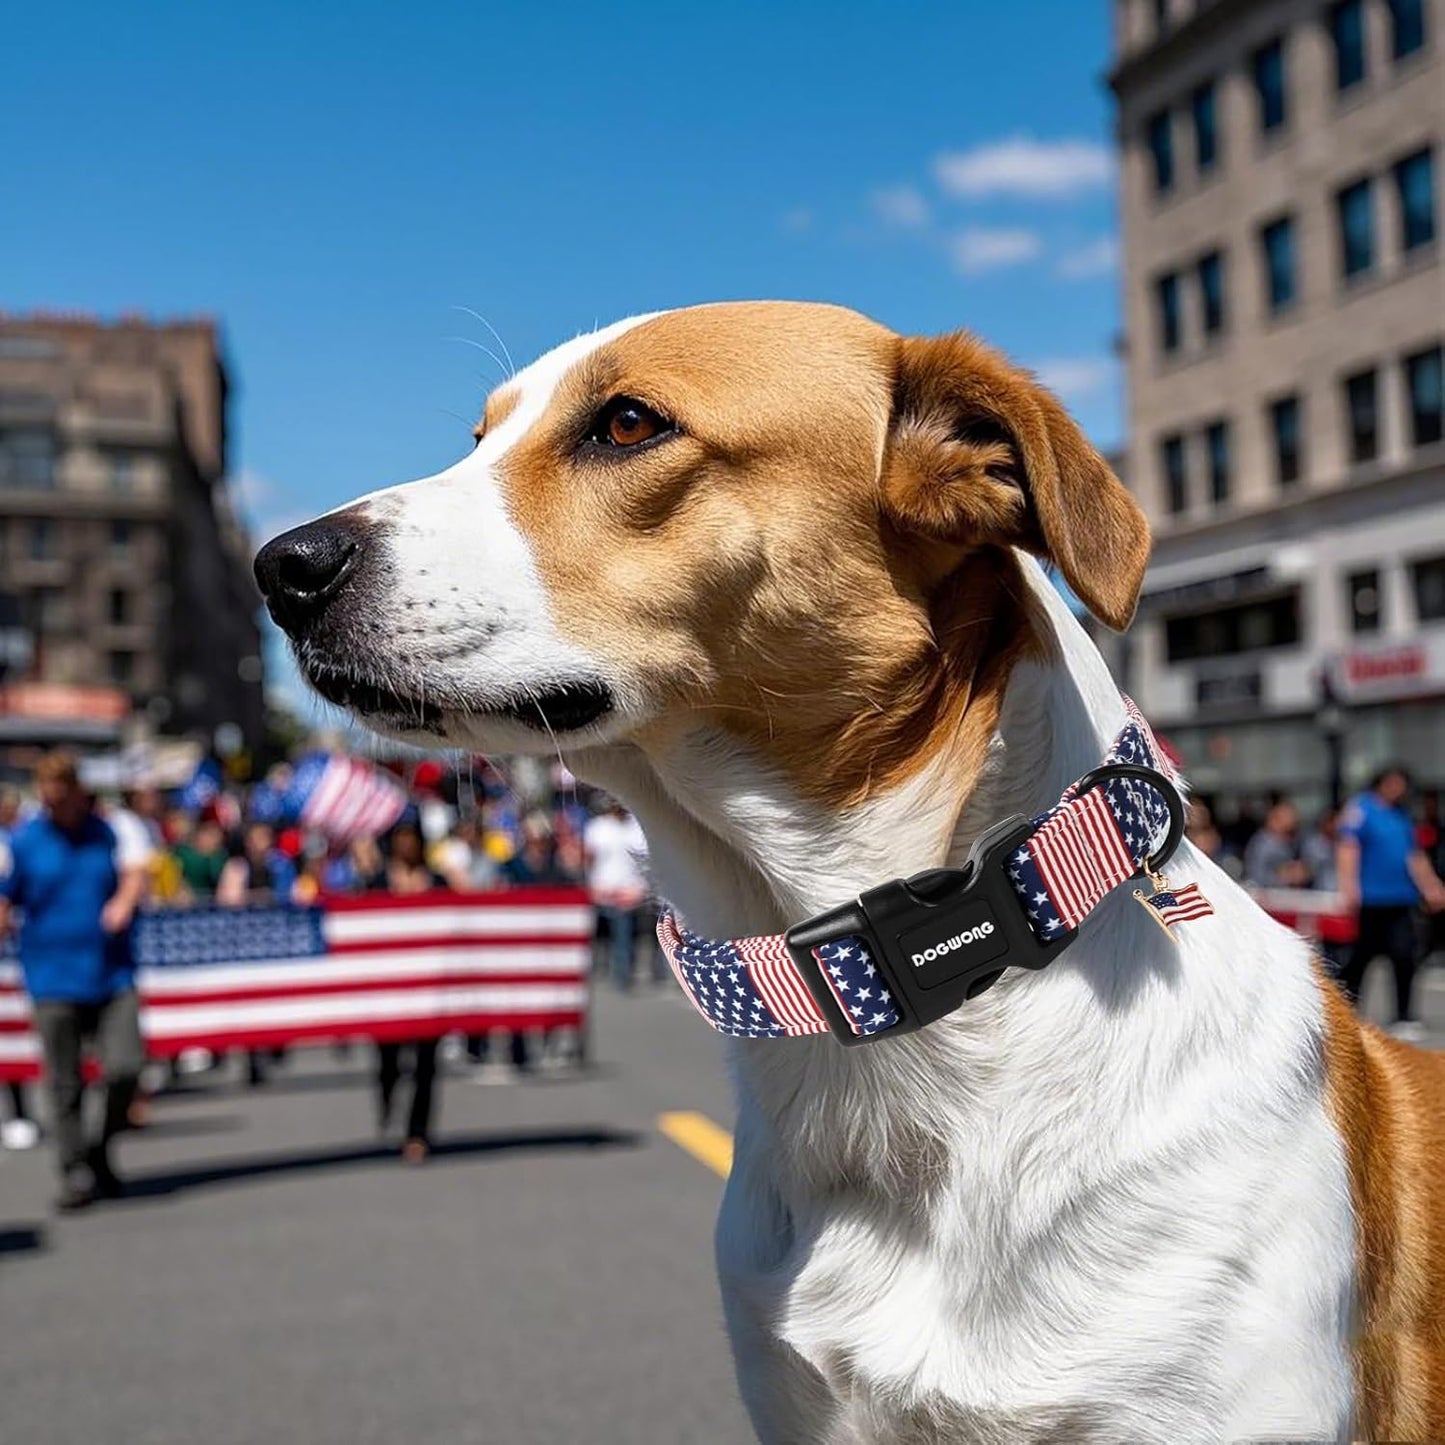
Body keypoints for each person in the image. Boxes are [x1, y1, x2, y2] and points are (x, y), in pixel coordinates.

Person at [0, 752, 148, 1208]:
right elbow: (7, 897)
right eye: (48, 799)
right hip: (52, 975)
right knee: (64, 1082)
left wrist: (123, 901)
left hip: (110, 970)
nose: (55, 807)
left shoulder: (107, 831)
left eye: (62, 798)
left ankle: (100, 1148)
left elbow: (135, 872)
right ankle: (74, 1171)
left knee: (126, 1067)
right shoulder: (25, 841)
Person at [1336, 767, 1445, 1041]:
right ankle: (1346, 1011)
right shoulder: (1362, 809)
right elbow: (1348, 847)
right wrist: (1348, 885)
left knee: (1405, 956)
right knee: (1361, 958)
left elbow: (1414, 856)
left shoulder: (1403, 817)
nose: (1398, 789)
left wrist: (1431, 885)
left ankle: (1404, 1015)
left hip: (1401, 897)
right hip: (1372, 898)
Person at [374, 821, 447, 1162]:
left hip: (430, 990)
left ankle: (418, 1132)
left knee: (426, 1065)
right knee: (388, 1062)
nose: (406, 847)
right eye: (400, 841)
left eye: (411, 840)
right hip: (387, 991)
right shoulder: (377, 882)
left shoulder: (438, 881)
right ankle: (388, 1099)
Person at [584, 800, 649, 991]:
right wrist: (590, 882)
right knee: (601, 934)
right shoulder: (598, 827)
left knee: (624, 934)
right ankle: (601, 966)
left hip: (629, 889)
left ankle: (623, 974)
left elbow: (646, 860)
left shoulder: (637, 827)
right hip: (602, 887)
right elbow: (589, 857)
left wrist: (642, 887)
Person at [1243, 800, 1311, 889]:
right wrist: (1283, 877)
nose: (1295, 819)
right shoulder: (1262, 845)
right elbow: (1255, 876)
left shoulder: (1296, 842)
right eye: (1289, 816)